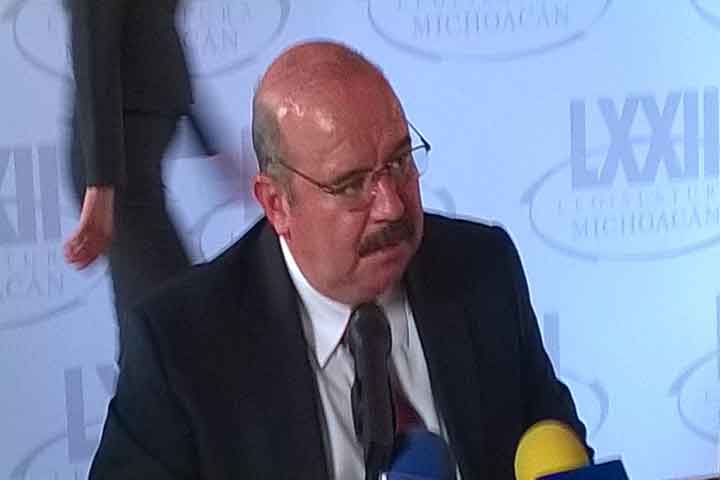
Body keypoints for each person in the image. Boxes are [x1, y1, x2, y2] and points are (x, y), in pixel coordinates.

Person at [88, 40, 592, 479]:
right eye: (351, 185)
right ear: (276, 204)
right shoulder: (181, 344)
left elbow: (556, 449)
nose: (392, 206)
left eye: (400, 162)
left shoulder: (483, 269)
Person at [63, 0, 209, 349]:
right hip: (118, 171)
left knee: (158, 323)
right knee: (168, 324)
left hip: (128, 164)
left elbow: (152, 29)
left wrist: (207, 139)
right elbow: (93, 40)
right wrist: (102, 184)